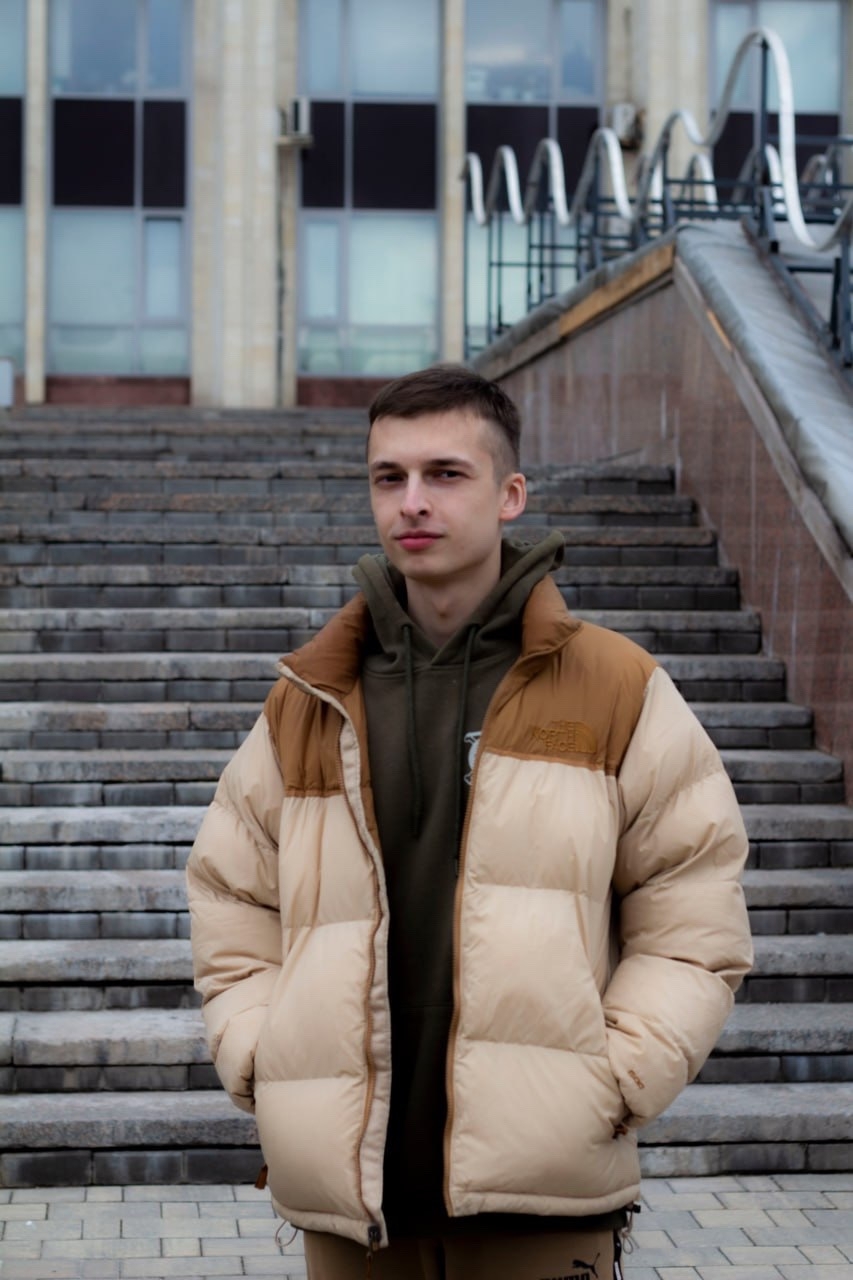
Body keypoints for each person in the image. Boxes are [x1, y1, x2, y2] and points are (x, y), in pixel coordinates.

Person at [187, 364, 753, 1280]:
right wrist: (263, 1055)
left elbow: (692, 911)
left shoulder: (615, 687)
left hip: (541, 1198)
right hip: (354, 1203)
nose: (411, 501)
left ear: (509, 495)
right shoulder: (308, 698)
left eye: (445, 474)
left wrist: (612, 1080)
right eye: (389, 477)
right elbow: (230, 895)